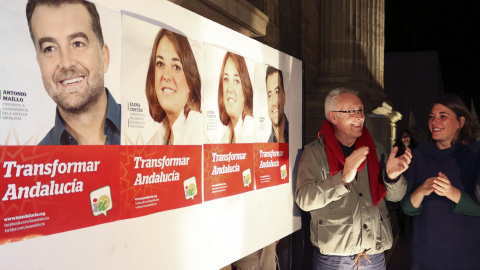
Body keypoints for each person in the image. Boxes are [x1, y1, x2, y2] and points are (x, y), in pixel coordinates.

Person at [295, 88, 411, 270]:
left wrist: (392, 178)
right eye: (351, 111)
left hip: (374, 256)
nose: (360, 116)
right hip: (335, 259)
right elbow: (304, 199)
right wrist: (341, 180)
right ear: (333, 117)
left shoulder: (376, 149)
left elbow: (396, 197)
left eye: (361, 110)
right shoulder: (315, 152)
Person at [400, 94, 480, 269]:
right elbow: (407, 207)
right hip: (425, 256)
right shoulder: (420, 154)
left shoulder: (475, 153)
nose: (434, 121)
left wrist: (452, 193)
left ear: (460, 122)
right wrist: (421, 190)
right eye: (431, 116)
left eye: (443, 116)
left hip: (466, 256)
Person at [27, 0, 121, 145]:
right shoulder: (33, 164)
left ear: (104, 57)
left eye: (78, 44)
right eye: (49, 48)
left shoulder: (149, 130)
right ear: (38, 62)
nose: (66, 63)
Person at [145, 28, 202, 145]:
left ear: (191, 80)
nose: (166, 76)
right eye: (160, 64)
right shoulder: (157, 138)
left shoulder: (198, 128)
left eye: (176, 67)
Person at [218, 52, 255, 144]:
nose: (229, 89)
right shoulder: (227, 135)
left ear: (246, 91)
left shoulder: (251, 131)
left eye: (236, 81)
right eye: (226, 79)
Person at [266, 66, 288, 143]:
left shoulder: (295, 132)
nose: (274, 102)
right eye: (270, 95)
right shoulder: (266, 148)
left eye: (277, 92)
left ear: (284, 96)